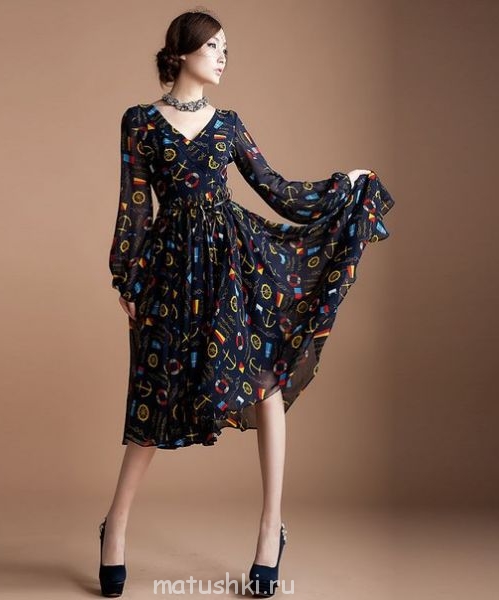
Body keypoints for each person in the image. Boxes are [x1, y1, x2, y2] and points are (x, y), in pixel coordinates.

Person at [99, 9, 395, 598]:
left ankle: (268, 532)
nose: (222, 56)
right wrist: (126, 280)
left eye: (226, 48)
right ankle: (115, 529)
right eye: (213, 46)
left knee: (265, 381)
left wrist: (345, 185)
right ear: (182, 52)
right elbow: (133, 206)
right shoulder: (139, 122)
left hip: (234, 267)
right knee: (155, 396)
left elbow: (278, 191)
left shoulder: (229, 125)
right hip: (169, 273)